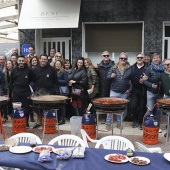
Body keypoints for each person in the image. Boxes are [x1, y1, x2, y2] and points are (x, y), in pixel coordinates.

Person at [142, 59, 170, 137]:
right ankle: (168, 131)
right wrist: (147, 78)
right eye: (167, 65)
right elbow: (153, 79)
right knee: (168, 114)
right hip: (167, 97)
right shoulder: (162, 75)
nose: (169, 66)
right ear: (164, 66)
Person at [32, 54, 59, 129]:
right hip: (38, 92)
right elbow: (33, 80)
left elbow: (55, 81)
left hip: (49, 92)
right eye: (42, 59)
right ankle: (39, 122)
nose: (43, 60)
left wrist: (54, 92)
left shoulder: (52, 69)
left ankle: (48, 121)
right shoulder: (35, 69)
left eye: (45, 59)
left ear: (47, 60)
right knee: (37, 107)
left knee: (48, 108)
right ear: (39, 60)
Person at [106, 52, 131, 129]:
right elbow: (107, 77)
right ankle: (109, 123)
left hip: (124, 93)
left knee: (121, 110)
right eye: (121, 58)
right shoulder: (114, 67)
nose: (123, 59)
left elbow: (133, 81)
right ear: (119, 59)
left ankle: (119, 123)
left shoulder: (130, 69)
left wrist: (130, 89)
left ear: (126, 60)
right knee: (110, 108)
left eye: (124, 58)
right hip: (114, 91)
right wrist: (111, 76)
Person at [143, 53, 164, 133]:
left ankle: (157, 126)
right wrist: (151, 85)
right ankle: (148, 125)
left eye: (157, 58)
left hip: (160, 93)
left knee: (158, 110)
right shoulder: (149, 68)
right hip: (151, 92)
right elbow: (145, 81)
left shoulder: (164, 68)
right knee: (150, 109)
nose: (156, 59)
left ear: (160, 59)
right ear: (152, 59)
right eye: (154, 58)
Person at [10, 55, 32, 128]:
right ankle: (17, 122)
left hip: (26, 90)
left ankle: (26, 122)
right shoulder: (14, 70)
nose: (21, 62)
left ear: (24, 61)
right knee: (16, 107)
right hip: (16, 91)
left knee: (26, 107)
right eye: (20, 61)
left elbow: (31, 79)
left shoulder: (29, 70)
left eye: (22, 61)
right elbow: (11, 81)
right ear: (17, 61)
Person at [96, 51, 114, 123]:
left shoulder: (113, 65)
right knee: (103, 103)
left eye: (107, 55)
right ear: (102, 56)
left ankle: (109, 119)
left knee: (110, 103)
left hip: (111, 86)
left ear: (109, 56)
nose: (106, 57)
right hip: (101, 86)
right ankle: (103, 117)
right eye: (104, 56)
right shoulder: (99, 66)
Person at [130, 53, 147, 130]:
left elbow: (150, 77)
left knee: (142, 107)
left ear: (143, 59)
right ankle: (135, 120)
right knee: (133, 106)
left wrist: (146, 79)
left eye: (141, 57)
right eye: (138, 57)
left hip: (143, 90)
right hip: (134, 90)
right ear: (136, 58)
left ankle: (140, 122)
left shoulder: (148, 67)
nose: (139, 59)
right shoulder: (132, 67)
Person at [54, 60, 69, 125]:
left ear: (61, 65)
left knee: (62, 105)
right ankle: (57, 118)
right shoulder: (53, 71)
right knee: (57, 105)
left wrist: (57, 80)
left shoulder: (64, 72)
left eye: (59, 64)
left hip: (62, 91)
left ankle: (62, 119)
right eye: (56, 64)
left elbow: (66, 81)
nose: (58, 65)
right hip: (55, 91)